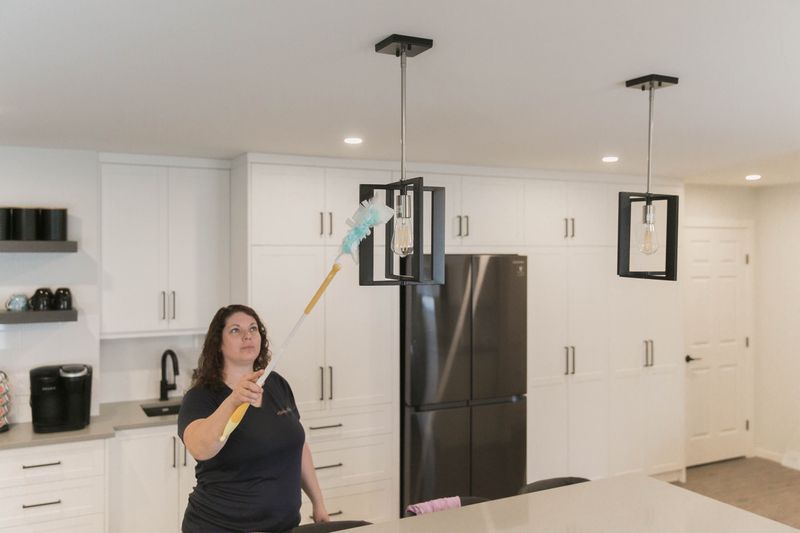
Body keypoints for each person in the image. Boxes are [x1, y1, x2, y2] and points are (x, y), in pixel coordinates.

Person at [178, 304, 329, 532]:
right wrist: (233, 400)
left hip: (283, 526)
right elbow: (200, 448)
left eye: (253, 328)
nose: (247, 336)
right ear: (218, 343)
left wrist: (318, 503)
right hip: (220, 526)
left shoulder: (276, 384)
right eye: (235, 330)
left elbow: (297, 447)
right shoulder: (201, 396)